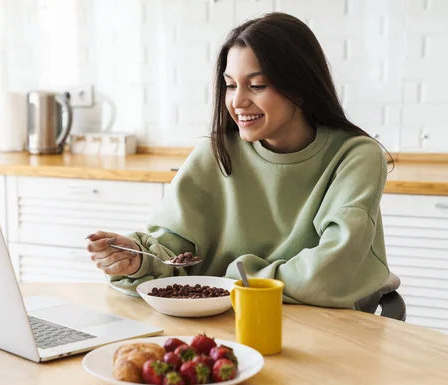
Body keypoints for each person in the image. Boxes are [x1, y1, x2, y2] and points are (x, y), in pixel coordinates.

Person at [85, 12, 391, 309]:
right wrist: (138, 259)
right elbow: (172, 252)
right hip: (226, 327)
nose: (237, 101)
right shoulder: (216, 152)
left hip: (328, 332)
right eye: (231, 85)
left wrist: (235, 279)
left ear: (301, 87)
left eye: (256, 85)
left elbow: (330, 273)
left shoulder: (355, 156)